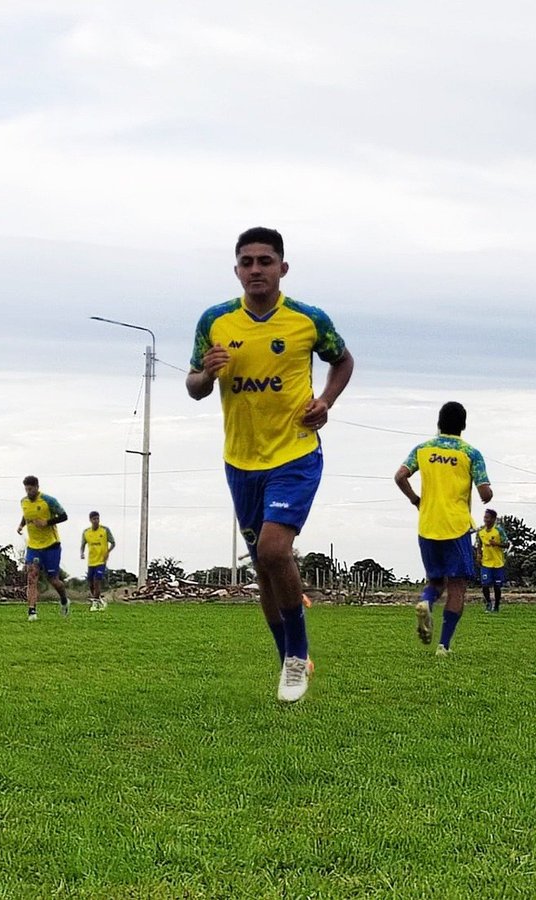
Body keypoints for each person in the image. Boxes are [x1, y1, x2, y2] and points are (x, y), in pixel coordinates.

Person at [187, 227, 355, 703]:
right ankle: (287, 659)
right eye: (247, 261)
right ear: (237, 270)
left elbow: (342, 361)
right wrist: (207, 372)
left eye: (265, 260)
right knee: (264, 568)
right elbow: (194, 386)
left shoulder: (307, 319)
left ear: (283, 267)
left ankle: (298, 656)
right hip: (241, 461)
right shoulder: (215, 322)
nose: (256, 269)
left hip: (296, 452)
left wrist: (325, 400)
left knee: (274, 551)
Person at [395, 401, 493, 655]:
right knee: (457, 585)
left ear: (438, 424)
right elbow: (485, 491)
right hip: (456, 526)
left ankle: (426, 602)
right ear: (463, 425)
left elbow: (400, 476)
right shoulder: (470, 453)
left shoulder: (423, 449)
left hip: (427, 525)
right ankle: (443, 645)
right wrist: (486, 494)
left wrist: (416, 500)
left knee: (436, 581)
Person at [16, 475, 70, 621]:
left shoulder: (49, 501)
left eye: (31, 489)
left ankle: (64, 600)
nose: (29, 492)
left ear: (37, 487)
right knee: (31, 577)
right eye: (26, 489)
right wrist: (22, 525)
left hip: (51, 545)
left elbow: (64, 516)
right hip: (33, 546)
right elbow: (27, 514)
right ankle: (32, 612)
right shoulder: (24, 501)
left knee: (53, 580)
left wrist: (47, 522)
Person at [79, 511, 115, 611]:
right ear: (90, 520)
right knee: (90, 582)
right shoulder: (86, 532)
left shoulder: (105, 530)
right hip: (91, 561)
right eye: (94, 519)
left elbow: (113, 543)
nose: (96, 521)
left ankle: (94, 603)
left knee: (97, 581)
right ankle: (99, 601)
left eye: (97, 519)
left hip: (101, 560)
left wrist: (108, 551)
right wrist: (82, 553)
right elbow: (83, 544)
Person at [475, 509, 510, 612]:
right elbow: (479, 544)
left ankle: (497, 606)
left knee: (497, 587)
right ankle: (488, 603)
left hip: (498, 563)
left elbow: (507, 544)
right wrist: (478, 555)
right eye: (485, 517)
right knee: (485, 584)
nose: (486, 519)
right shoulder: (481, 532)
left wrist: (496, 544)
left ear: (493, 519)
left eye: (488, 517)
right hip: (486, 563)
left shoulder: (499, 530)